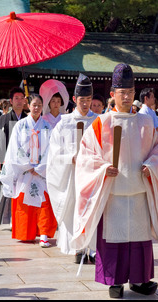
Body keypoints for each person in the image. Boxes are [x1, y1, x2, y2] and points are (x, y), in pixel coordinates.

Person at [71, 64, 158, 299]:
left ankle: (140, 280)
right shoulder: (101, 123)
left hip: (138, 190)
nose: (126, 97)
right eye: (121, 92)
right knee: (114, 239)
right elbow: (87, 155)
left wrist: (152, 166)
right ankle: (114, 281)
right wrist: (104, 168)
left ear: (135, 92)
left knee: (139, 239)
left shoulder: (146, 123)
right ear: (112, 94)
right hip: (113, 192)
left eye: (130, 92)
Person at [46, 73, 97, 262]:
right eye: (82, 100)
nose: (86, 104)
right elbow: (54, 154)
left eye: (89, 100)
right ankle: (78, 248)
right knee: (75, 209)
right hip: (72, 175)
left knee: (92, 209)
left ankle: (92, 248)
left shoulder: (98, 121)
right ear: (75, 99)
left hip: (93, 174)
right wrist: (71, 158)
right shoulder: (64, 123)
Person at [0, 94, 57, 247]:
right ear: (28, 105)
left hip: (41, 172)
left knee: (44, 203)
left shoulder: (47, 127)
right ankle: (26, 233)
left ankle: (43, 234)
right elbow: (14, 149)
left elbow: (52, 149)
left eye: (39, 105)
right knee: (26, 204)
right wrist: (29, 165)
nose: (36, 108)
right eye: (34, 105)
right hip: (25, 171)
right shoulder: (20, 125)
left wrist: (40, 167)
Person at [0, 87, 27, 225]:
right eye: (16, 98)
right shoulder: (2, 119)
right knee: (7, 189)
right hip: (8, 160)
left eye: (21, 98)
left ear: (25, 100)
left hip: (24, 162)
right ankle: (8, 219)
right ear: (11, 101)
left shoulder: (28, 119)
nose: (19, 101)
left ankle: (21, 219)